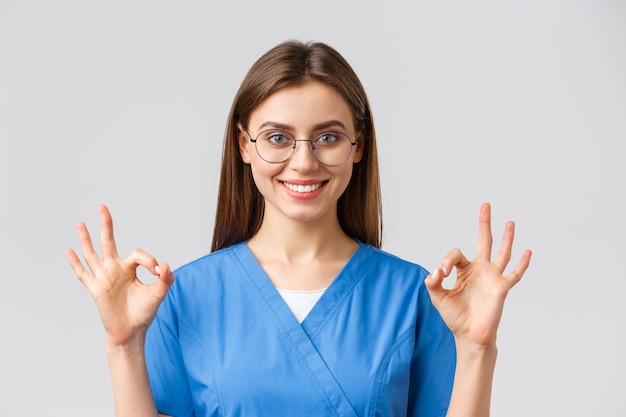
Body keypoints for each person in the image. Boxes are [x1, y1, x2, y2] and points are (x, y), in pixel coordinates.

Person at [66, 40, 532, 417]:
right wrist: (123, 344)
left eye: (328, 137)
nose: (304, 162)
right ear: (243, 146)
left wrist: (476, 348)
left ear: (358, 146)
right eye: (277, 138)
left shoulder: (414, 295)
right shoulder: (184, 296)